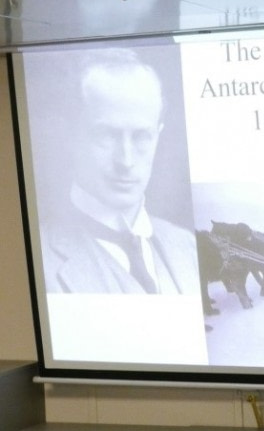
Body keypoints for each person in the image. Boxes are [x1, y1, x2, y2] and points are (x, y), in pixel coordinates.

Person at [40, 47, 199, 295]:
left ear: (158, 135)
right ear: (71, 135)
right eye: (106, 135)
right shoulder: (39, 260)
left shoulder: (188, 248)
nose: (125, 160)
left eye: (141, 137)